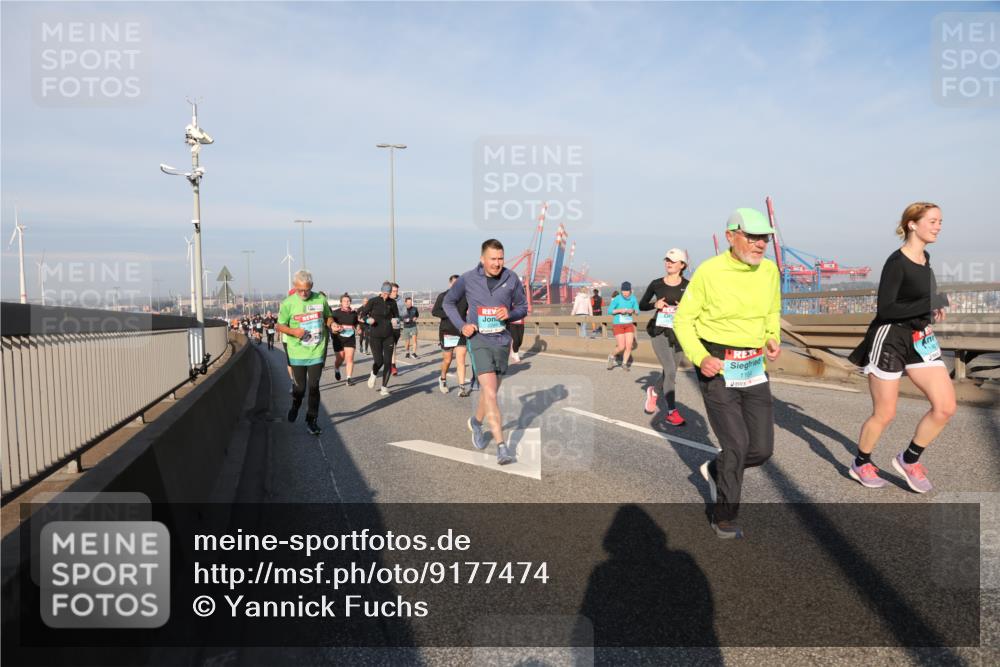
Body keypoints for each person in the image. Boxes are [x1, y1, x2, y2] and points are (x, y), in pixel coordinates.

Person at [674, 208, 781, 539]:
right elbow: (683, 320)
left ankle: (716, 468)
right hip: (717, 365)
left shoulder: (769, 271)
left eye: (764, 237)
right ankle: (724, 515)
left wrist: (771, 336)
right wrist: (700, 357)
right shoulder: (709, 272)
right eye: (752, 236)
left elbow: (771, 311)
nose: (759, 244)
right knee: (736, 444)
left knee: (761, 449)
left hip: (753, 367)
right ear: (730, 235)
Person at [847, 202, 955, 493]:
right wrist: (930, 302)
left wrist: (931, 308)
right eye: (932, 221)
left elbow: (922, 294)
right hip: (890, 337)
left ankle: (909, 459)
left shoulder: (925, 257)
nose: (938, 226)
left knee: (945, 407)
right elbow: (887, 308)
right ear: (912, 224)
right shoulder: (896, 262)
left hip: (921, 337)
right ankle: (861, 462)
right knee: (885, 413)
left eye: (940, 221)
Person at [443, 239, 528, 465]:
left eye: (501, 258)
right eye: (493, 259)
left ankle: (476, 422)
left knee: (490, 391)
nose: (497, 263)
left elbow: (523, 307)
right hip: (478, 339)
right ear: (483, 259)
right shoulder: (468, 279)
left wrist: (508, 313)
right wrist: (462, 325)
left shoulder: (512, 279)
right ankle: (502, 447)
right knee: (490, 391)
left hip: (501, 341)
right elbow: (448, 303)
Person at [275, 270, 334, 435]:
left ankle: (312, 420)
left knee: (314, 386)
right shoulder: (288, 303)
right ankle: (295, 405)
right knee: (300, 388)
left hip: (317, 350)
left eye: (307, 290)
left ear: (312, 286)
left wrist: (332, 324)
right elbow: (279, 326)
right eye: (300, 290)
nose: (304, 293)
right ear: (295, 287)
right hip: (297, 352)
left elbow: (328, 317)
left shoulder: (320, 299)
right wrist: (294, 332)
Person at [639, 248, 690, 426]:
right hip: (659, 331)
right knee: (669, 370)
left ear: (682, 265)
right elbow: (642, 305)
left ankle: (653, 391)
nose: (668, 263)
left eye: (673, 261)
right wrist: (656, 304)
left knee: (671, 372)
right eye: (667, 260)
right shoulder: (656, 284)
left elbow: (697, 308)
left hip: (679, 333)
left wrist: (685, 307)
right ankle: (671, 412)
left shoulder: (689, 285)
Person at [358, 282, 399, 397]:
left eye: (388, 293)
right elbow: (362, 315)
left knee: (387, 362)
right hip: (375, 336)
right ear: (381, 291)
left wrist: (396, 321)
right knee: (379, 361)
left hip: (388, 336)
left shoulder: (393, 303)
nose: (386, 295)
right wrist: (368, 320)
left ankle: (384, 387)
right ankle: (374, 373)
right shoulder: (373, 301)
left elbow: (396, 316)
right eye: (385, 293)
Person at [432, 275, 470, 394]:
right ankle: (443, 378)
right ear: (450, 284)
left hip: (461, 331)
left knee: (461, 360)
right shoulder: (443, 296)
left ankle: (462, 388)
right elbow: (435, 311)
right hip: (447, 331)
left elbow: (472, 310)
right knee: (448, 360)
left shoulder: (466, 297)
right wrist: (449, 313)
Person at [607, 282, 639, 371]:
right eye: (623, 291)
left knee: (629, 346)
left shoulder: (633, 298)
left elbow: (637, 311)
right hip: (618, 324)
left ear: (630, 291)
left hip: (628, 324)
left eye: (627, 291)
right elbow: (609, 311)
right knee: (621, 347)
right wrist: (620, 310)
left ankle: (624, 364)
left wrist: (632, 310)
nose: (625, 293)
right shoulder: (617, 298)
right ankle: (611, 356)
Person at [331, 293, 359, 385]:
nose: (347, 302)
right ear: (341, 302)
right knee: (340, 358)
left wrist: (358, 328)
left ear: (350, 302)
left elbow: (356, 323)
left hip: (350, 337)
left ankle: (349, 379)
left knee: (349, 358)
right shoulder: (335, 313)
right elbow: (330, 324)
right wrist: (335, 328)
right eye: (344, 301)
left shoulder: (354, 313)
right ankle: (336, 368)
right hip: (338, 338)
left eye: (348, 301)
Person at [389, 283, 402, 375]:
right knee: (387, 347)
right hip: (383, 327)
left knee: (393, 346)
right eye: (394, 291)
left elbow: (404, 313)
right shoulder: (382, 300)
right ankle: (389, 363)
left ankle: (393, 365)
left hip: (395, 327)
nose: (395, 293)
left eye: (397, 291)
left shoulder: (399, 300)